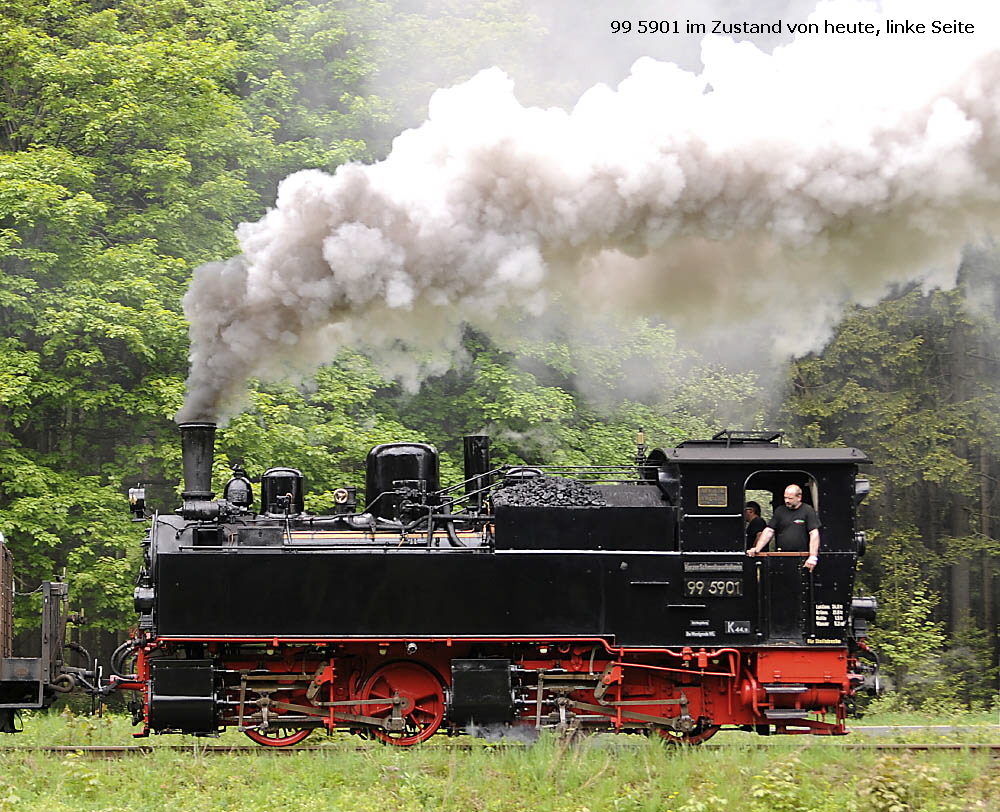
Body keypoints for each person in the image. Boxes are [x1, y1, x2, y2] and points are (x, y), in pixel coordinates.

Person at [746, 484, 820, 571]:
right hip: (782, 557)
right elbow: (769, 531)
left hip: (802, 557)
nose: (787, 501)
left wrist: (813, 556)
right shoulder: (780, 511)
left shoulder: (808, 510)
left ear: (799, 497)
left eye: (790, 498)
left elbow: (814, 533)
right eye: (785, 498)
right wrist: (757, 548)